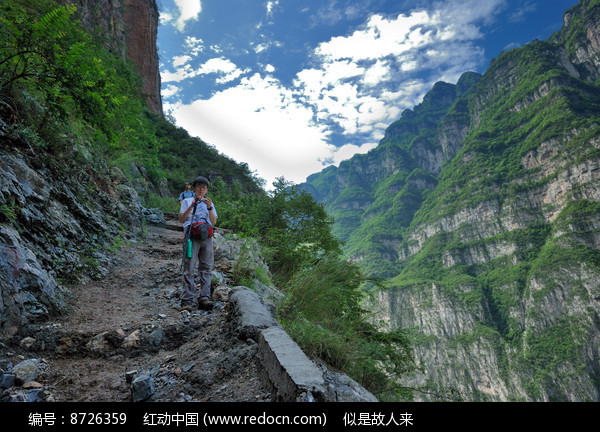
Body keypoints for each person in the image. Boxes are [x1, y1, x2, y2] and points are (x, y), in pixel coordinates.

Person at [179, 176, 218, 311]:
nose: (201, 189)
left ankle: (204, 298)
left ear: (206, 190)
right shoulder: (186, 200)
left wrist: (209, 209)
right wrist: (192, 205)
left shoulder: (210, 203)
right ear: (194, 188)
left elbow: (213, 222)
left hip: (206, 236)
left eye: (204, 187)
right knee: (189, 267)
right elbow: (181, 219)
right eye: (199, 186)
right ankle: (187, 300)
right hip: (191, 235)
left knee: (206, 267)